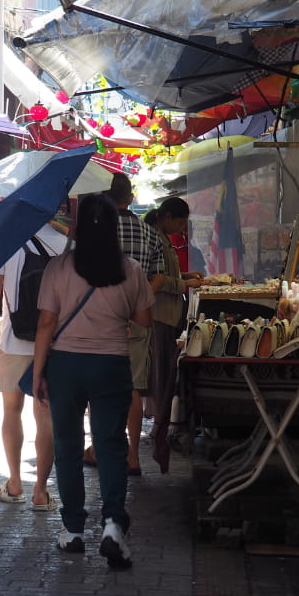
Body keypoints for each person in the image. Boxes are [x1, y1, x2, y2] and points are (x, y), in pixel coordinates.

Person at [33, 193, 154, 568]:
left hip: (65, 367)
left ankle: (71, 531)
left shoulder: (58, 267)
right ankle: (113, 525)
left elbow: (45, 324)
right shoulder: (130, 269)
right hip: (111, 365)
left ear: (78, 228)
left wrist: (38, 372)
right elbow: (145, 320)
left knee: (68, 446)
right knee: (111, 445)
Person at [0, 219, 69, 510]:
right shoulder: (66, 245)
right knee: (46, 417)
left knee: (11, 411)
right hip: (55, 344)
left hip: (14, 343)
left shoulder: (8, 243)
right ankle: (41, 491)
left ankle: (15, 483)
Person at [106, 171, 164, 475]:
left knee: (102, 385)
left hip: (101, 318)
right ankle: (132, 456)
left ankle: (100, 448)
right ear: (130, 198)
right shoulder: (149, 232)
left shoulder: (98, 231)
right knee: (133, 388)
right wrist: (139, 297)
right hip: (138, 318)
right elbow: (160, 274)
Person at [142, 198, 203, 473]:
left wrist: (188, 275)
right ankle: (158, 423)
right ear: (166, 217)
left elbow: (169, 273)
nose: (180, 228)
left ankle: (160, 422)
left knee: (167, 368)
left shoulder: (163, 238)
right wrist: (186, 282)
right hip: (160, 314)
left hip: (170, 313)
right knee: (162, 369)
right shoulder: (154, 238)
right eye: (179, 222)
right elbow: (158, 279)